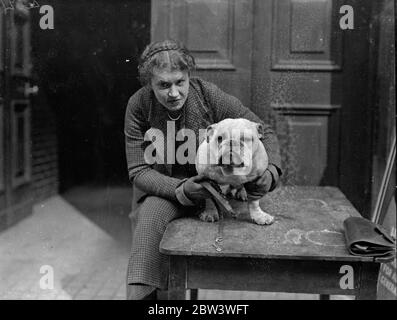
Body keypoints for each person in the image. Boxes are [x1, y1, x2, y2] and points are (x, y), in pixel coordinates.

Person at [124, 39, 282, 300]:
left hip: (216, 191)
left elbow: (265, 132)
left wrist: (271, 172)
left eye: (180, 82)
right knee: (149, 231)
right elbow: (139, 170)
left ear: (189, 77)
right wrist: (182, 189)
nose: (173, 92)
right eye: (163, 85)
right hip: (164, 191)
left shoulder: (207, 95)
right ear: (149, 84)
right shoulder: (139, 106)